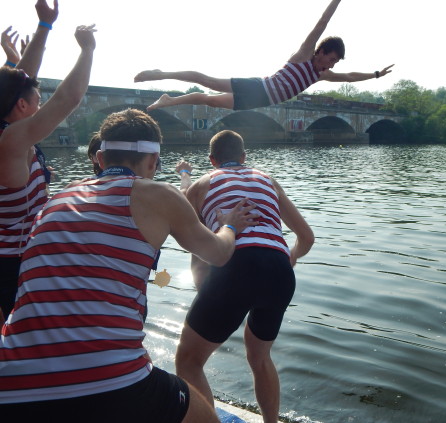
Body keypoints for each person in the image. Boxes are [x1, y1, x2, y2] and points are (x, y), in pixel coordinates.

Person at [0, 108, 259, 423]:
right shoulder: (158, 194)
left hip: (11, 383)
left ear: (100, 159)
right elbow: (218, 254)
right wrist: (230, 225)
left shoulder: (53, 201)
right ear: (152, 162)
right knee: (205, 416)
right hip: (108, 383)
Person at [175, 130, 315, 423]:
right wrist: (288, 257)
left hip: (235, 268)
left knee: (188, 361)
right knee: (260, 357)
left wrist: (203, 285)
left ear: (212, 160)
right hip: (278, 271)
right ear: (244, 157)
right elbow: (306, 237)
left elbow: (195, 245)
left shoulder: (201, 185)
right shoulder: (268, 180)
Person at [134, 0, 394, 111]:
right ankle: (162, 74)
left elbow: (348, 77)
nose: (332, 64)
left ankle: (168, 101)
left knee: (209, 101)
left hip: (259, 101)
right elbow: (321, 25)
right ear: (322, 52)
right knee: (208, 82)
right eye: (331, 58)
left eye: (335, 62)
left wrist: (374, 75)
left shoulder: (320, 76)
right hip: (257, 86)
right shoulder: (303, 55)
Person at [0, 0, 67, 325]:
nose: (39, 107)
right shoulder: (11, 141)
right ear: (22, 107)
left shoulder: (8, 127)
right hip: (13, 259)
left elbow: (22, 81)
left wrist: (44, 27)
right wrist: (86, 52)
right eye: (36, 103)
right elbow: (67, 99)